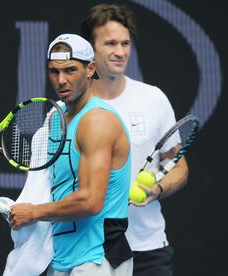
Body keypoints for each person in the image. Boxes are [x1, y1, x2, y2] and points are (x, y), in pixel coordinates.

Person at [10, 33, 133, 276]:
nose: (61, 80)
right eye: (54, 71)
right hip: (62, 258)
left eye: (70, 70)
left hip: (98, 259)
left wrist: (34, 212)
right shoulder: (56, 118)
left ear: (91, 69)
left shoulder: (98, 121)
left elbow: (90, 201)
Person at [80, 4, 189, 276]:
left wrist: (158, 190)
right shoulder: (70, 109)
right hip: (88, 251)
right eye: (110, 43)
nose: (120, 51)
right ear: (90, 50)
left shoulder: (153, 99)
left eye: (125, 43)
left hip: (148, 250)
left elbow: (179, 165)